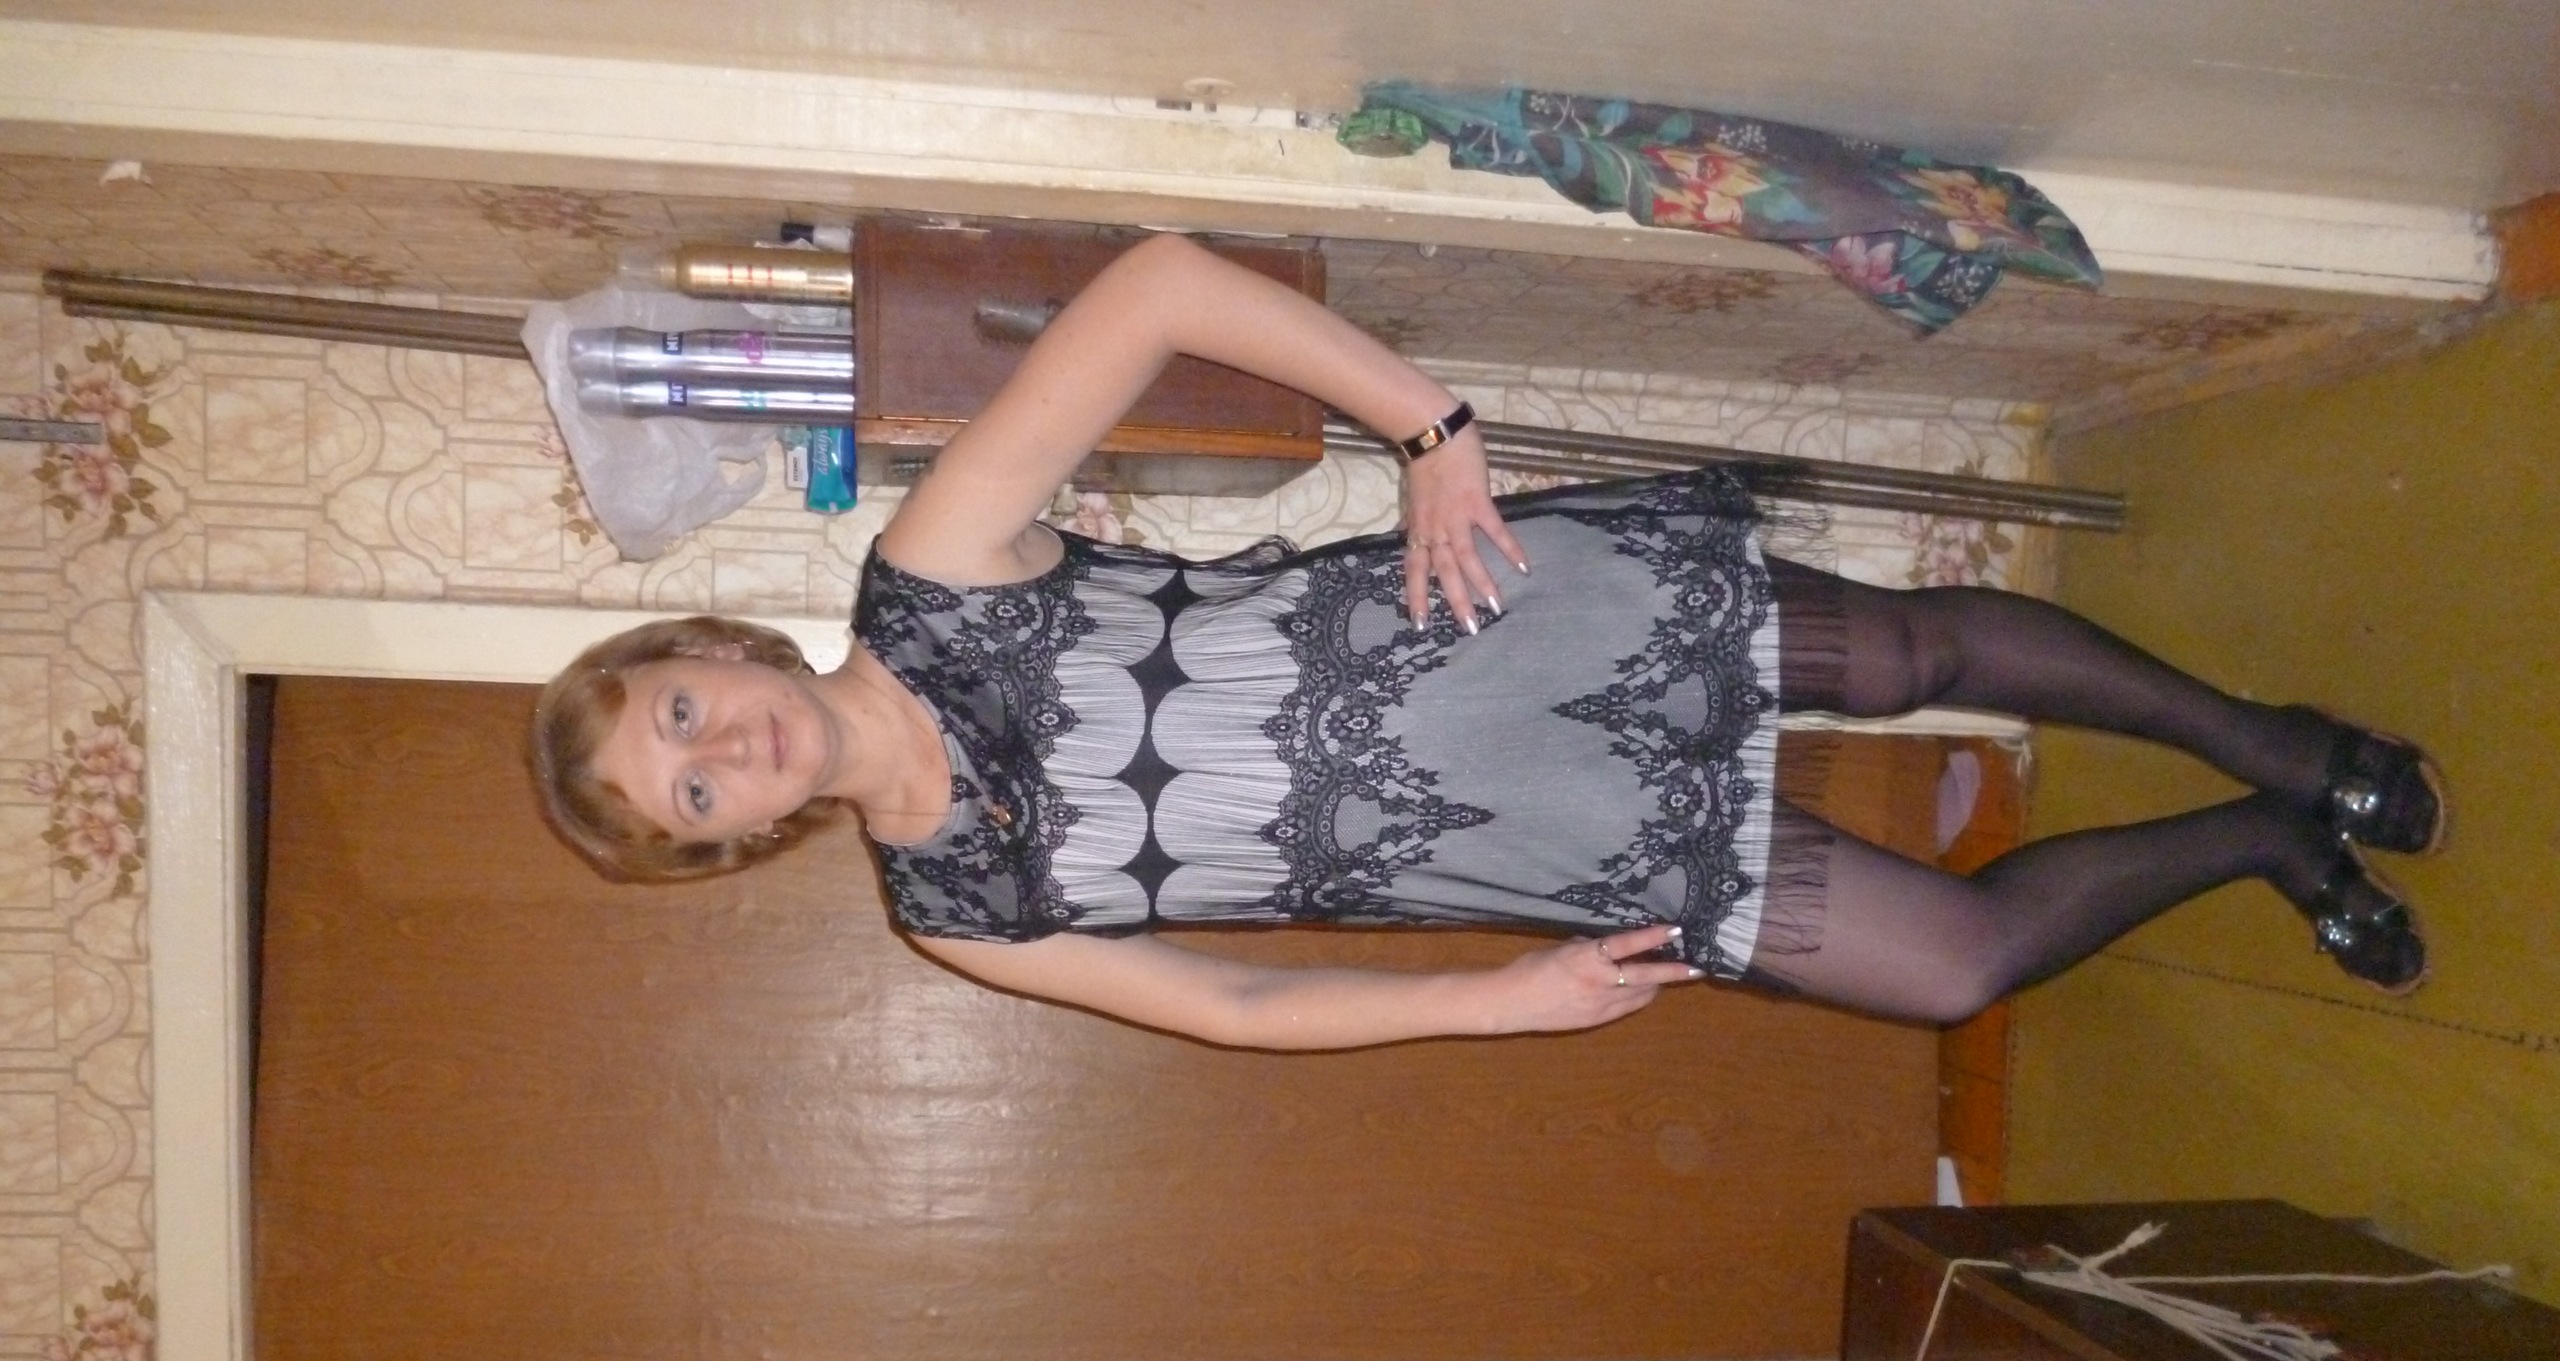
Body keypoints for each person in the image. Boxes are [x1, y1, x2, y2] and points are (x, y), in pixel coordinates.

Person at [532, 234, 2444, 1047]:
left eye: (683, 710)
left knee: (1919, 659)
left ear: (722, 648)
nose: (722, 754)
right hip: (1535, 851)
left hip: (1509, 625)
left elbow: (1161, 286)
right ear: (727, 843)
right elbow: (1233, 1008)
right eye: (688, 793)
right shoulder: (951, 914)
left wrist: (1429, 431)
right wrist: (1486, 1003)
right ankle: (2268, 842)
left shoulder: (931, 574)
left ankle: (2274, 742)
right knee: (1952, 973)